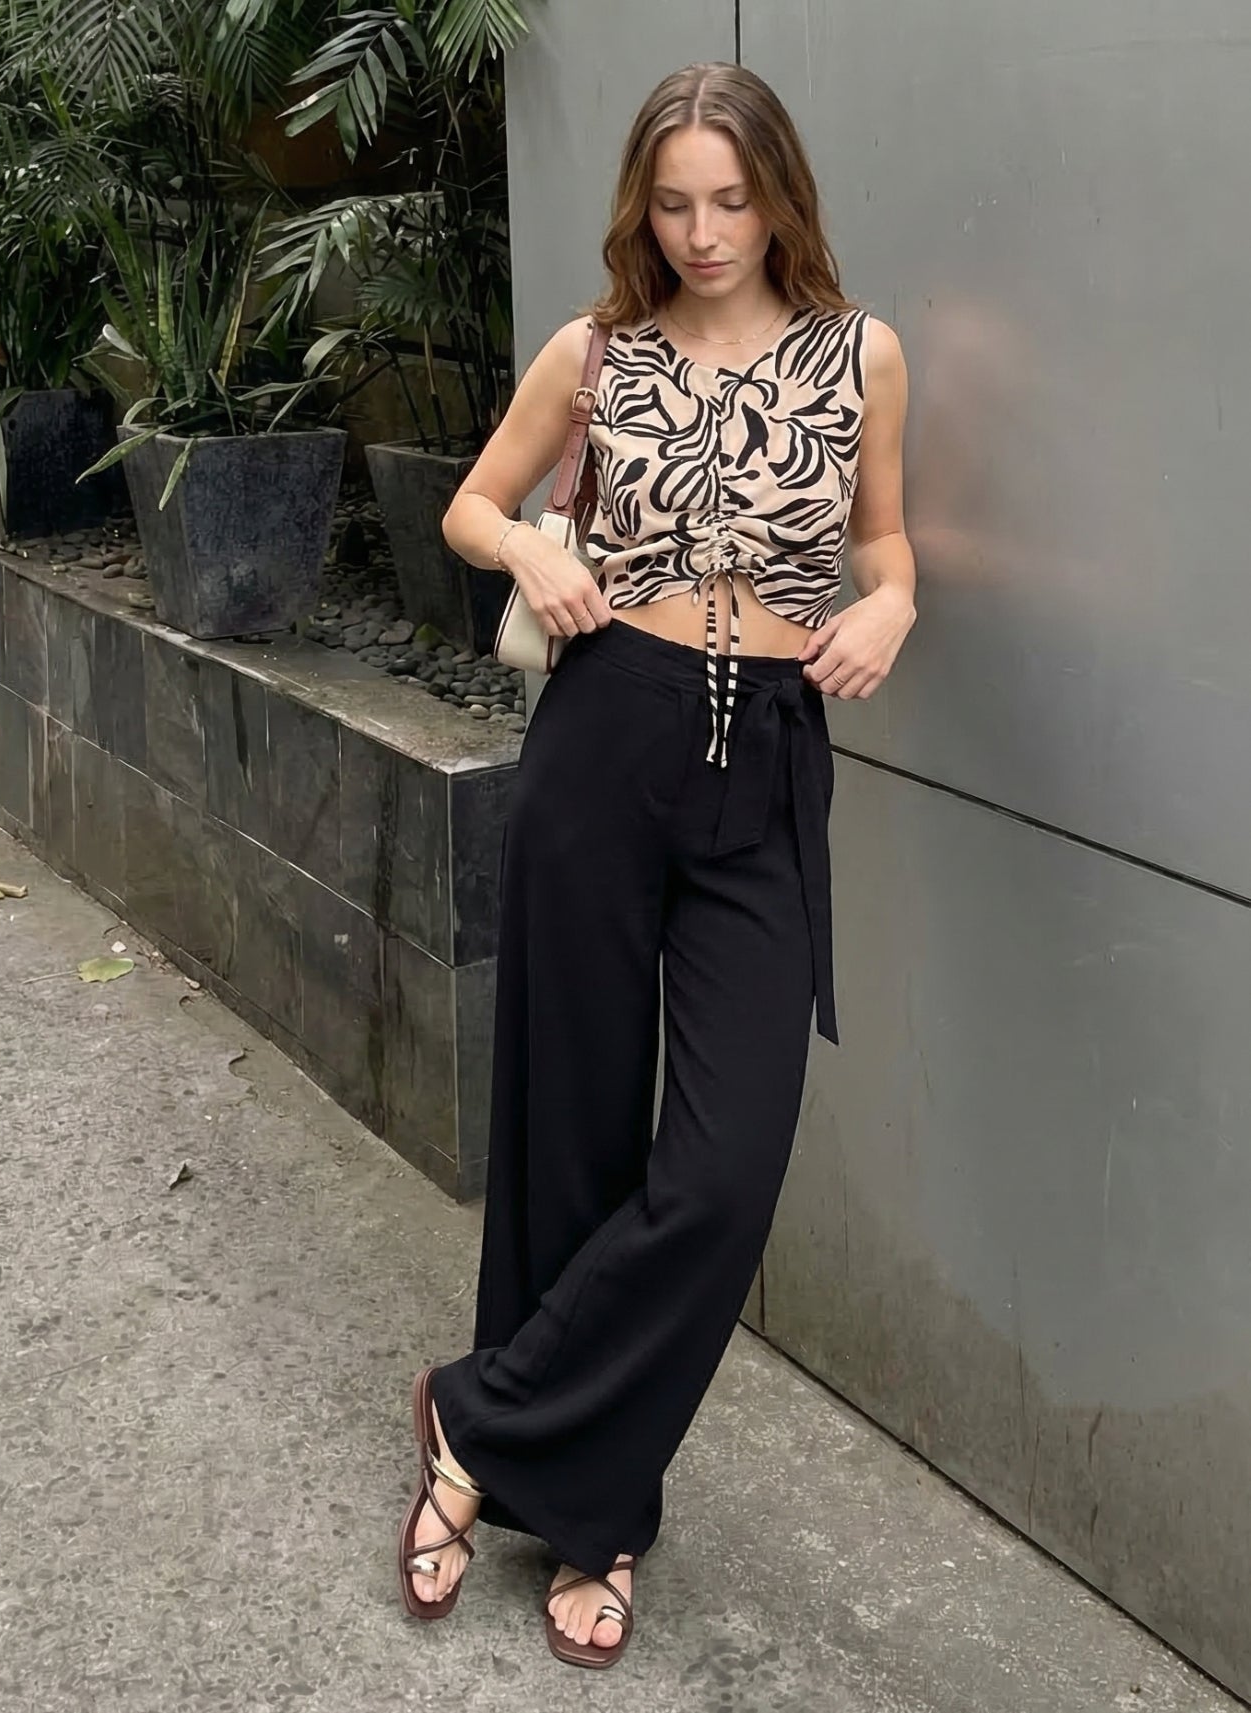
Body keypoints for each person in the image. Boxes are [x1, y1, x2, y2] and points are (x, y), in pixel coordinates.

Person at [396, 60, 916, 1668]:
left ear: (779, 196)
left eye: (732, 199)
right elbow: (471, 508)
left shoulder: (860, 352)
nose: (703, 232)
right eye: (676, 202)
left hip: (764, 760)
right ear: (644, 204)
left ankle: (474, 1419)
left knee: (719, 1169)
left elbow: (882, 540)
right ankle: (600, 1510)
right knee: (567, 1127)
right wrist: (532, 545)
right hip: (604, 736)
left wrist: (894, 604)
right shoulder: (594, 350)